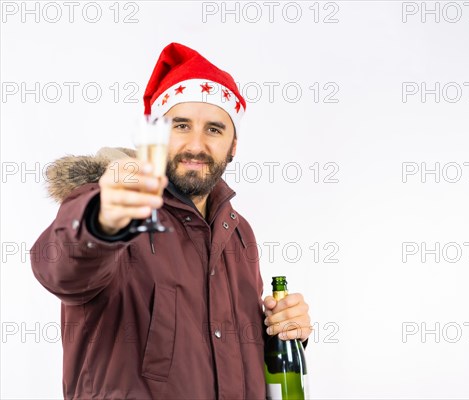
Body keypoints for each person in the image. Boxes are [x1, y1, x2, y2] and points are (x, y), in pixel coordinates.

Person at [31, 42, 312, 399]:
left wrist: (284, 332)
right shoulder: (119, 203)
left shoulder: (239, 232)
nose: (196, 144)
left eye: (214, 129)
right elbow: (61, 270)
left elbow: (229, 352)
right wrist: (100, 223)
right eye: (180, 125)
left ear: (233, 146)